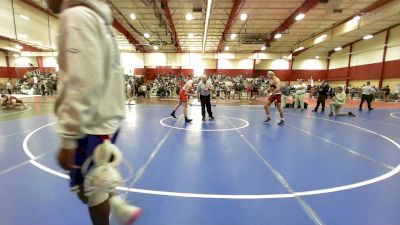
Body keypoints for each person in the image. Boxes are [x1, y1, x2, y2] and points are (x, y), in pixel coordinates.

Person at [48, 0, 141, 225]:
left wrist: (69, 138)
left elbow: (82, 80)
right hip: (105, 118)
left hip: (90, 123)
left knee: (87, 188)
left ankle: (113, 211)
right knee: (97, 174)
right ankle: (118, 207)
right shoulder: (98, 19)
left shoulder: (76, 16)